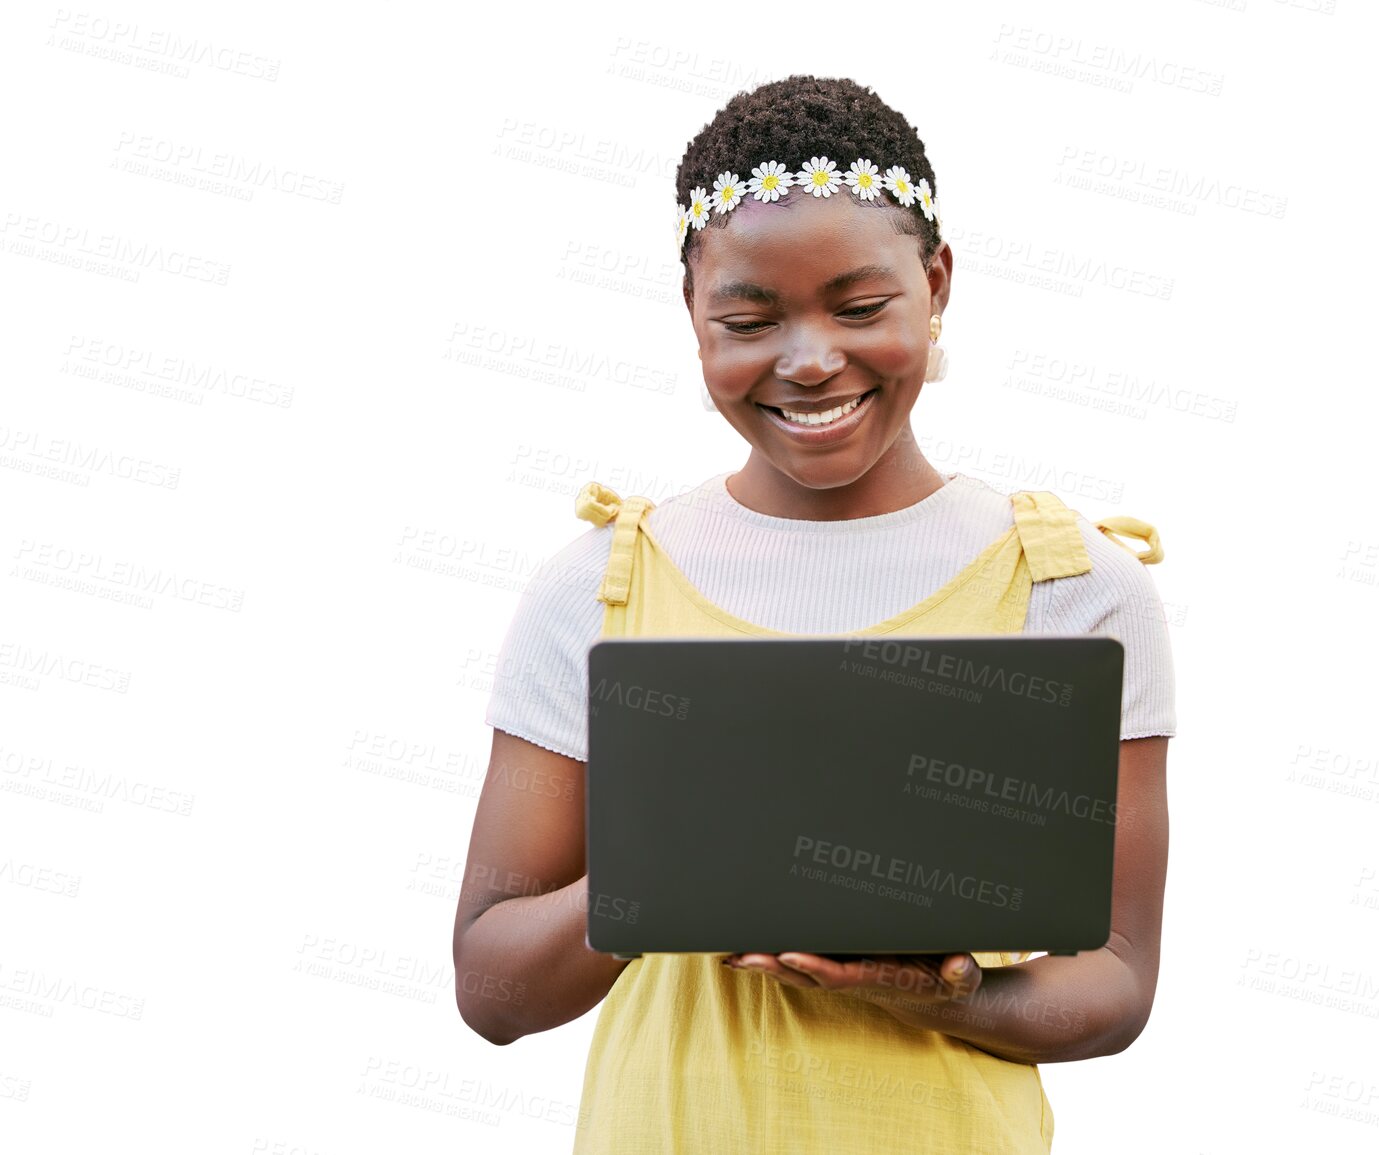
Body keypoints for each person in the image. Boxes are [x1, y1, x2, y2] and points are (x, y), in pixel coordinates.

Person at [452, 74, 1174, 1153]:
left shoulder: (1075, 589)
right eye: (748, 319)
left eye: (860, 306)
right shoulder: (602, 586)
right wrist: (671, 866)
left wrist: (938, 995)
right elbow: (494, 989)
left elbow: (1115, 980)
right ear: (693, 316)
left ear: (935, 283)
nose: (808, 360)